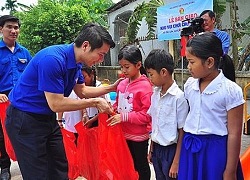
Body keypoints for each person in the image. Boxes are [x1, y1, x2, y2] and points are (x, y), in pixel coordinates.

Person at [5, 22, 121, 180]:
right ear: (86, 46)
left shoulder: (76, 63)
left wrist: (112, 88)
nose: (101, 60)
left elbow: (82, 91)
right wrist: (95, 102)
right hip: (25, 119)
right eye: (100, 54)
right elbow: (56, 104)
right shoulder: (52, 59)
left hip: (46, 119)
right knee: (37, 173)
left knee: (59, 166)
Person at [178, 32, 245, 180]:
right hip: (190, 149)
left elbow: (234, 133)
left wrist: (230, 170)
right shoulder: (190, 85)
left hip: (215, 153)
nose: (188, 67)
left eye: (192, 62)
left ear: (209, 62)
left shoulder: (230, 91)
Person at [107, 45, 153, 180]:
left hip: (138, 136)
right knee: (127, 164)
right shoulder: (121, 83)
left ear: (138, 65)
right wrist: (112, 109)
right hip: (123, 133)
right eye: (121, 67)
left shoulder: (145, 87)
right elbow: (118, 104)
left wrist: (124, 116)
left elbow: (147, 115)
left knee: (141, 165)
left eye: (127, 67)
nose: (123, 70)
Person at [144, 49, 189, 180]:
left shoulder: (178, 98)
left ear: (163, 72)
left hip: (171, 151)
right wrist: (151, 149)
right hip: (157, 149)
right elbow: (155, 124)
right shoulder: (155, 94)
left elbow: (182, 132)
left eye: (151, 74)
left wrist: (176, 162)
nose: (150, 78)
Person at [0, 15, 32, 180]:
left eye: (16, 27)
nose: (13, 31)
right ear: (1, 29)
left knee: (25, 131)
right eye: (9, 27)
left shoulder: (24, 52)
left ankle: (27, 165)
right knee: (2, 134)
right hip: (2, 99)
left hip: (22, 98)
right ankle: (4, 168)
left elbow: (33, 75)